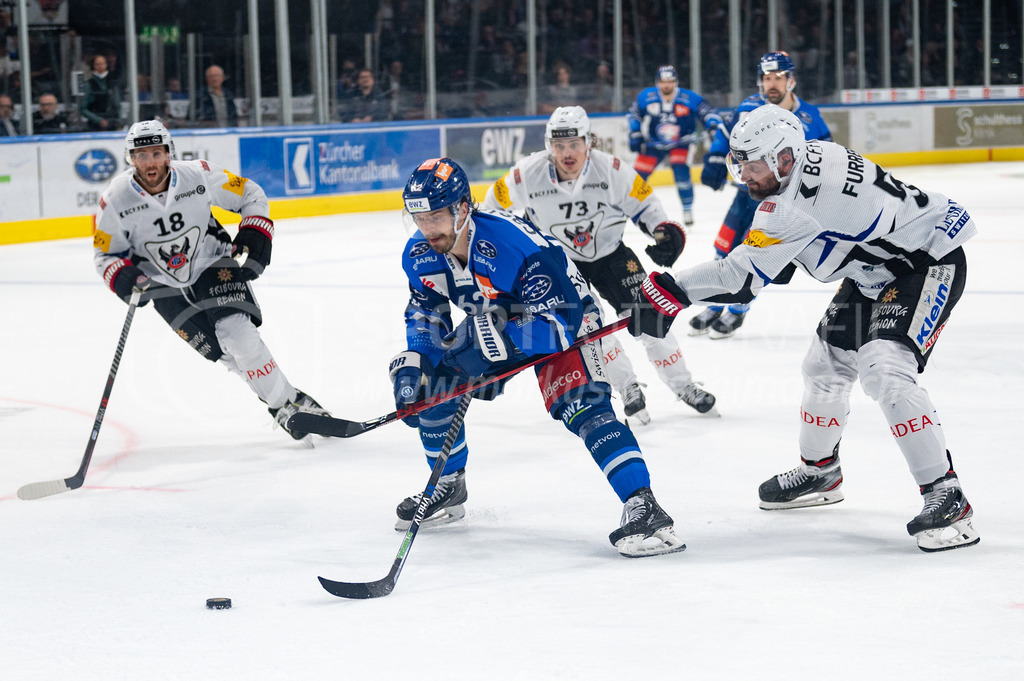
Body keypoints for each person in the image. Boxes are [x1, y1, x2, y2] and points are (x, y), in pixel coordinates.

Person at [630, 105, 980, 553]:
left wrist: (669, 291)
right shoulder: (814, 156)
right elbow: (809, 243)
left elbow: (739, 279)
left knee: (885, 369)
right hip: (878, 269)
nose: (745, 177)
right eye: (741, 165)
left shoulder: (793, 205)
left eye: (753, 166)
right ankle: (821, 470)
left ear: (784, 159)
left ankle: (947, 495)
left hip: (926, 262)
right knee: (825, 366)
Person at [389, 157, 685, 557]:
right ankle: (448, 483)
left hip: (565, 317)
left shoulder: (513, 245)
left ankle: (644, 506)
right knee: (436, 386)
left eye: (435, 216)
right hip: (497, 320)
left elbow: (559, 323)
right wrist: (416, 362)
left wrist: (496, 338)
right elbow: (425, 314)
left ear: (462, 208)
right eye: (418, 218)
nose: (426, 229)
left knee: (582, 406)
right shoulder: (420, 255)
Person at [92, 120, 327, 442]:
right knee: (224, 353)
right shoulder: (115, 200)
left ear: (168, 153)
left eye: (156, 153)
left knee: (240, 338)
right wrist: (124, 277)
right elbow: (105, 254)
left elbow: (250, 194)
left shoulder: (198, 174)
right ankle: (282, 403)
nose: (150, 162)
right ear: (130, 159)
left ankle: (289, 404)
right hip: (161, 283)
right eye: (141, 155)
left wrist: (255, 233)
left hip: (211, 261)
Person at [483, 106, 716, 425]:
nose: (567, 153)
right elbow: (490, 211)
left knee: (651, 318)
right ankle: (628, 387)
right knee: (592, 328)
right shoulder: (525, 174)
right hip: (561, 265)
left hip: (612, 255)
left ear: (588, 142)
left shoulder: (613, 169)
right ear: (549, 145)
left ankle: (684, 385)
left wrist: (663, 230)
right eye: (560, 145)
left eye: (575, 144)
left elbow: (645, 202)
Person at [692, 51, 832, 339]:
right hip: (746, 193)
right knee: (723, 249)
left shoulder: (809, 117)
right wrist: (717, 158)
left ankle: (738, 311)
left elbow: (826, 156)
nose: (772, 84)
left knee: (754, 256)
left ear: (791, 81)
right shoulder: (749, 106)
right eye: (767, 78)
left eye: (778, 78)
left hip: (781, 204)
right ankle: (717, 303)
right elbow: (726, 133)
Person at [627, 65, 723, 227]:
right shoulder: (646, 97)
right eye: (663, 81)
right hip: (653, 144)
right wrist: (635, 132)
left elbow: (709, 112)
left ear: (676, 82)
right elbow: (633, 114)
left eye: (670, 81)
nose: (666, 85)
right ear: (657, 82)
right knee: (637, 178)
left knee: (681, 173)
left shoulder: (688, 97)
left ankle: (687, 209)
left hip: (680, 143)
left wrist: (713, 126)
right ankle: (628, 209)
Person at [79, 54, 122, 131]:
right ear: (93, 66)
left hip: (112, 122)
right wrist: (99, 120)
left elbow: (117, 104)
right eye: (97, 64)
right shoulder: (89, 84)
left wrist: (118, 120)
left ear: (106, 64)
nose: (100, 66)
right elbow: (82, 109)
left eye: (102, 64)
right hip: (95, 124)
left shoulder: (112, 82)